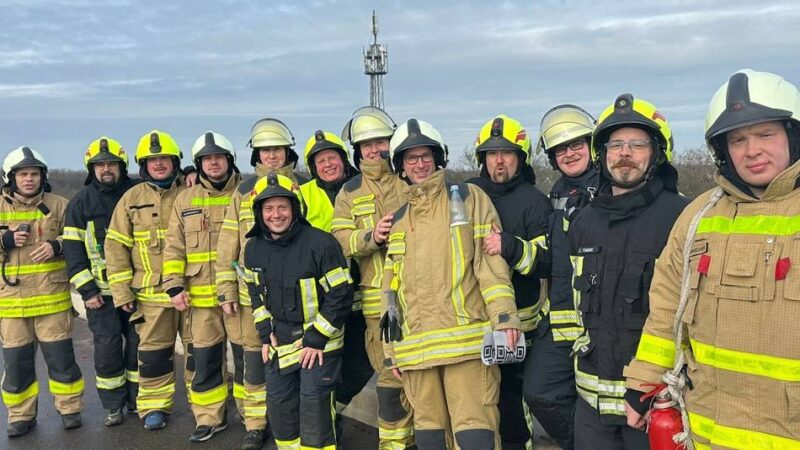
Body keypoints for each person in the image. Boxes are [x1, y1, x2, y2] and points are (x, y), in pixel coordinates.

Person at [624, 69, 800, 448]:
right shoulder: (699, 216)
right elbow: (668, 303)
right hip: (706, 428)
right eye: (738, 140)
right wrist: (644, 381)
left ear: (793, 134)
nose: (752, 150)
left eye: (766, 134)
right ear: (722, 151)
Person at [380, 118, 522, 450]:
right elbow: (391, 291)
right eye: (410, 158)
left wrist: (504, 317)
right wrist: (392, 353)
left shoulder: (469, 198)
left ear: (437, 157)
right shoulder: (399, 219)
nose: (419, 164)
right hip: (416, 352)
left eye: (425, 156)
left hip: (467, 345)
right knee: (429, 438)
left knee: (475, 436)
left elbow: (489, 263)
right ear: (400, 166)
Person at [568, 94, 689, 449]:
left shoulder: (683, 218)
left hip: (656, 404)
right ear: (601, 154)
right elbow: (572, 304)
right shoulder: (583, 221)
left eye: (637, 144)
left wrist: (659, 390)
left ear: (657, 153)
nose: (625, 153)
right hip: (591, 406)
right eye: (616, 144)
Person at [243, 173, 354, 449]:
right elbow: (257, 295)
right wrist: (264, 332)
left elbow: (341, 294)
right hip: (279, 343)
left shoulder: (321, 243)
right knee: (280, 409)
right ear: (259, 212)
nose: (276, 214)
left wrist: (316, 339)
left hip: (317, 344)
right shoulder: (253, 248)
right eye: (269, 208)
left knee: (314, 411)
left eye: (283, 207)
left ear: (295, 208)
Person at [215, 118, 306, 449]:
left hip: (298, 300)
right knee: (253, 363)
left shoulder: (305, 186)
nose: (271, 156)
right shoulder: (242, 192)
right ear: (257, 154)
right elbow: (228, 245)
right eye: (265, 150)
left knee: (297, 364)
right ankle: (255, 425)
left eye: (277, 150)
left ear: (287, 152)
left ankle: (294, 420)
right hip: (253, 298)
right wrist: (226, 289)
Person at [467, 114, 552, 450]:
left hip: (520, 325)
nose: (498, 161)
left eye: (506, 153)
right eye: (491, 154)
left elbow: (547, 261)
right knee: (479, 403)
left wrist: (512, 247)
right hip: (474, 320)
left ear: (521, 157)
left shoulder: (534, 202)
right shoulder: (468, 196)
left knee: (513, 406)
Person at [333, 106, 414, 448]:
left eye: (380, 141)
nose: (374, 149)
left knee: (422, 377)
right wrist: (370, 236)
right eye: (366, 144)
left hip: (417, 295)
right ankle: (396, 445)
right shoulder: (349, 192)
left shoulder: (409, 178)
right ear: (358, 150)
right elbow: (340, 240)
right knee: (389, 380)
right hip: (375, 306)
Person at [105, 129, 190, 431]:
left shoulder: (191, 192)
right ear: (143, 165)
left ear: (176, 161)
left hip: (192, 291)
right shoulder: (131, 199)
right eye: (152, 160)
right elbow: (114, 246)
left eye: (164, 158)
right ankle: (154, 406)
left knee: (201, 353)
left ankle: (204, 407)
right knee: (153, 355)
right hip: (151, 296)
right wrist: (121, 292)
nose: (159, 164)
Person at [525, 105, 599, 450]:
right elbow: (552, 258)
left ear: (591, 144)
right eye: (560, 149)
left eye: (576, 145)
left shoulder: (609, 189)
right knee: (539, 392)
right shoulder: (558, 194)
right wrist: (511, 248)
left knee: (605, 404)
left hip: (600, 320)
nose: (569, 153)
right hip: (560, 319)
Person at [162, 131, 242, 442]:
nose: (213, 163)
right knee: (206, 360)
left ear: (229, 160)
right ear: (199, 164)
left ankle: (253, 420)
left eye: (218, 157)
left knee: (247, 361)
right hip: (200, 299)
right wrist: (173, 285)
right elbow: (173, 247)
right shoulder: (185, 199)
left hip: (239, 298)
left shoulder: (246, 194)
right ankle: (209, 418)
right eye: (207, 159)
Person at [0, 146, 84, 437]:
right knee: (17, 366)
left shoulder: (60, 205)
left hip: (52, 301)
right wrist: (5, 239)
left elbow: (79, 239)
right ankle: (21, 416)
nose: (29, 179)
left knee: (62, 362)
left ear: (42, 176)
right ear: (10, 177)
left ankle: (70, 409)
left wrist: (58, 246)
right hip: (11, 305)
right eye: (22, 174)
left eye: (34, 174)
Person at [63, 137, 139, 427]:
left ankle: (137, 400)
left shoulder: (134, 193)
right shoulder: (80, 202)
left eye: (112, 164)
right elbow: (73, 250)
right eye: (100, 165)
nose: (106, 169)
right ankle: (113, 405)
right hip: (101, 295)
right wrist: (88, 290)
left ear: (122, 166)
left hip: (136, 289)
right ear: (91, 168)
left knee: (137, 348)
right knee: (107, 351)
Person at [299, 130, 358, 232]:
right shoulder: (302, 194)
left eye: (332, 158)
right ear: (314, 168)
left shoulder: (364, 184)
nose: (328, 164)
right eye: (321, 161)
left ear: (343, 159)